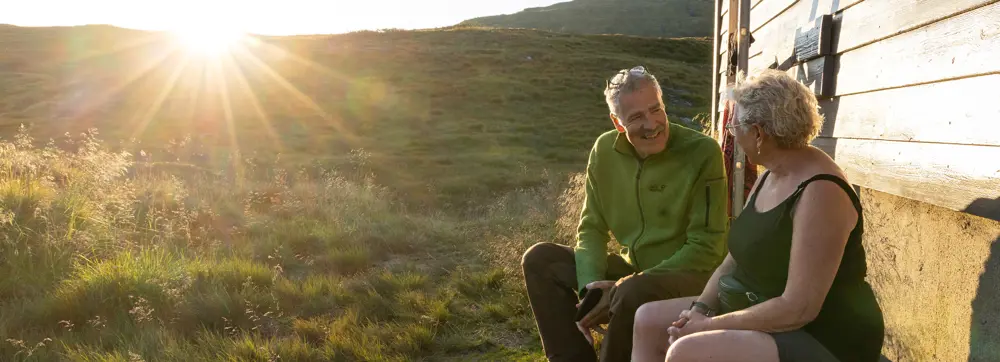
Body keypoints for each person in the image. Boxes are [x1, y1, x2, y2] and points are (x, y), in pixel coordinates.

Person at [631, 69, 885, 362]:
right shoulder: (770, 176)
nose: (733, 135)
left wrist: (709, 326)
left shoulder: (821, 192)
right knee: (648, 319)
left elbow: (798, 309)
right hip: (756, 305)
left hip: (824, 336)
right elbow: (733, 259)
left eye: (734, 126)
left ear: (758, 132)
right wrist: (699, 309)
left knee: (687, 352)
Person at [521, 66, 729, 362]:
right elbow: (591, 228)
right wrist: (591, 290)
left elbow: (707, 248)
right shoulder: (604, 150)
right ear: (617, 123)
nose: (651, 124)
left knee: (631, 292)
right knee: (540, 259)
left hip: (690, 275)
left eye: (656, 109)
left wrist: (623, 286)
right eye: (635, 117)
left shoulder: (703, 152)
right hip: (632, 273)